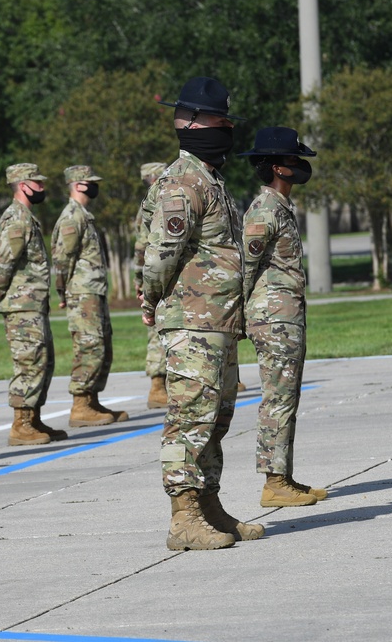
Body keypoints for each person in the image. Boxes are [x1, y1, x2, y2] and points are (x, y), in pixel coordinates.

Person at [142, 77, 264, 550]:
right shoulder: (182, 181)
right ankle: (183, 518)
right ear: (191, 123)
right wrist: (151, 300)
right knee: (190, 418)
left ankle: (210, 505)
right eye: (221, 120)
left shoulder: (211, 177)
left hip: (219, 323)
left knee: (216, 418)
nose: (228, 128)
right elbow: (161, 254)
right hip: (192, 323)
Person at [239, 127, 327, 507]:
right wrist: (236, 317)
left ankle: (283, 476)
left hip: (285, 317)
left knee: (286, 398)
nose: (299, 166)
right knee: (278, 399)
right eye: (293, 160)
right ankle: (274, 483)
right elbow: (244, 266)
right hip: (273, 320)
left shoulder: (280, 208)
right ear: (277, 167)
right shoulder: (264, 210)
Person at [0, 163, 64, 446]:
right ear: (23, 185)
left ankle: (32, 418)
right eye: (38, 183)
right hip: (21, 305)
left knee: (43, 361)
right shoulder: (17, 219)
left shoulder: (25, 217)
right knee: (29, 362)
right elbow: (4, 262)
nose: (42, 188)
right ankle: (21, 424)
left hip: (32, 303)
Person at [51, 165, 128, 428]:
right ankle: (80, 405)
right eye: (91, 182)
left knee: (102, 344)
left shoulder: (84, 215)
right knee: (89, 345)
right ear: (78, 185)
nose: (95, 186)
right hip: (82, 293)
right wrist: (62, 291)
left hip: (93, 290)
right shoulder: (72, 217)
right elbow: (62, 259)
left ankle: (91, 400)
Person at [133, 162, 169, 409]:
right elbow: (141, 247)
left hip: (161, 272)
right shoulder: (154, 203)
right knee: (157, 331)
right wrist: (140, 282)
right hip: (155, 274)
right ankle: (158, 387)